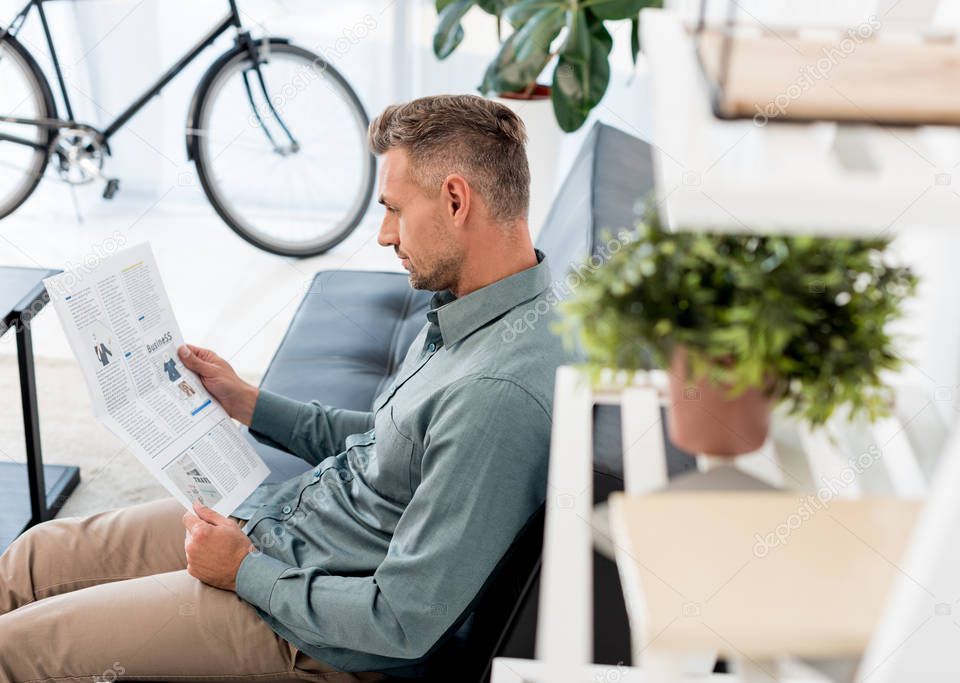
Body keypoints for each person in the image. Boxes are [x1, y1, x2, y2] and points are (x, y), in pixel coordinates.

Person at [0, 94, 571, 681]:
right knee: (34, 558)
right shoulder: (471, 309)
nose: (383, 235)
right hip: (284, 527)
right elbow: (393, 445)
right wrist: (248, 402)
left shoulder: (495, 393)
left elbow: (402, 620)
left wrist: (243, 570)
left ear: (455, 200)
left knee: (18, 649)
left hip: (305, 628)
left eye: (395, 209)